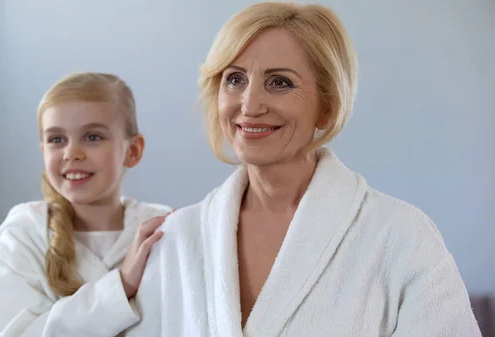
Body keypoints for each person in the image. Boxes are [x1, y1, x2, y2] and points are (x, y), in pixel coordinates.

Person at [125, 2, 481, 336]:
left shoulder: (400, 236)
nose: (249, 105)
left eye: (280, 82)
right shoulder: (176, 238)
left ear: (327, 106)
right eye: (234, 79)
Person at [0, 72, 173, 337]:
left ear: (133, 151)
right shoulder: (24, 234)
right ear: (43, 150)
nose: (71, 153)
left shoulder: (161, 230)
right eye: (56, 139)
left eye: (93, 137)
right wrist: (121, 286)